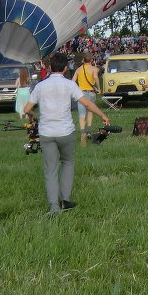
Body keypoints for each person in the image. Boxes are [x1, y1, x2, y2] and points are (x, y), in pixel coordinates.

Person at [23, 53, 109, 217]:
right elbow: (87, 103)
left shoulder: (41, 86)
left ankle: (54, 207)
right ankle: (66, 200)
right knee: (68, 163)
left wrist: (32, 116)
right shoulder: (69, 85)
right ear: (64, 68)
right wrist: (102, 115)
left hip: (46, 132)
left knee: (50, 170)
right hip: (65, 131)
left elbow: (27, 109)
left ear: (49, 68)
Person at [71, 52, 100, 136]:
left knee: (82, 114)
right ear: (91, 60)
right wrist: (99, 88)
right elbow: (95, 77)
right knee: (90, 112)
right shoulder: (93, 69)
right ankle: (89, 131)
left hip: (81, 94)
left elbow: (73, 81)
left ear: (83, 60)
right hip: (91, 92)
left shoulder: (79, 69)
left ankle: (82, 132)